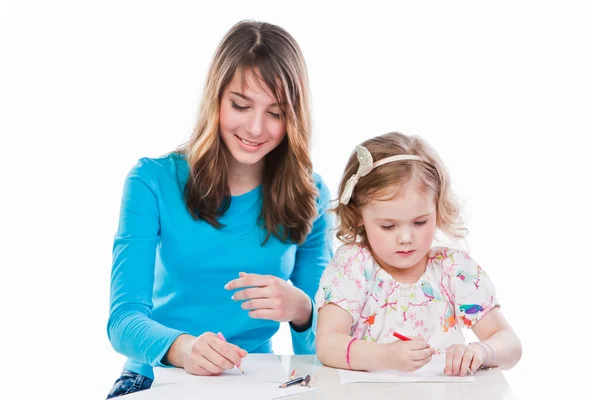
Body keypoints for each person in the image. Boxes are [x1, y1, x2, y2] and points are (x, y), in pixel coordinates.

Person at [106, 20, 333, 398]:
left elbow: (324, 347)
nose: (256, 127)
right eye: (241, 105)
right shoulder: (152, 181)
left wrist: (302, 309)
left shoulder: (311, 193)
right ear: (216, 99)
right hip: (154, 377)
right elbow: (123, 320)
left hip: (258, 380)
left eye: (276, 113)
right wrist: (183, 349)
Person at [315, 132, 521, 376]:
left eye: (420, 222)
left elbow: (511, 345)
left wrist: (481, 351)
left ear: (437, 207)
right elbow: (327, 345)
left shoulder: (453, 269)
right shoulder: (353, 267)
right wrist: (386, 356)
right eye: (388, 226)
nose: (405, 238)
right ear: (359, 215)